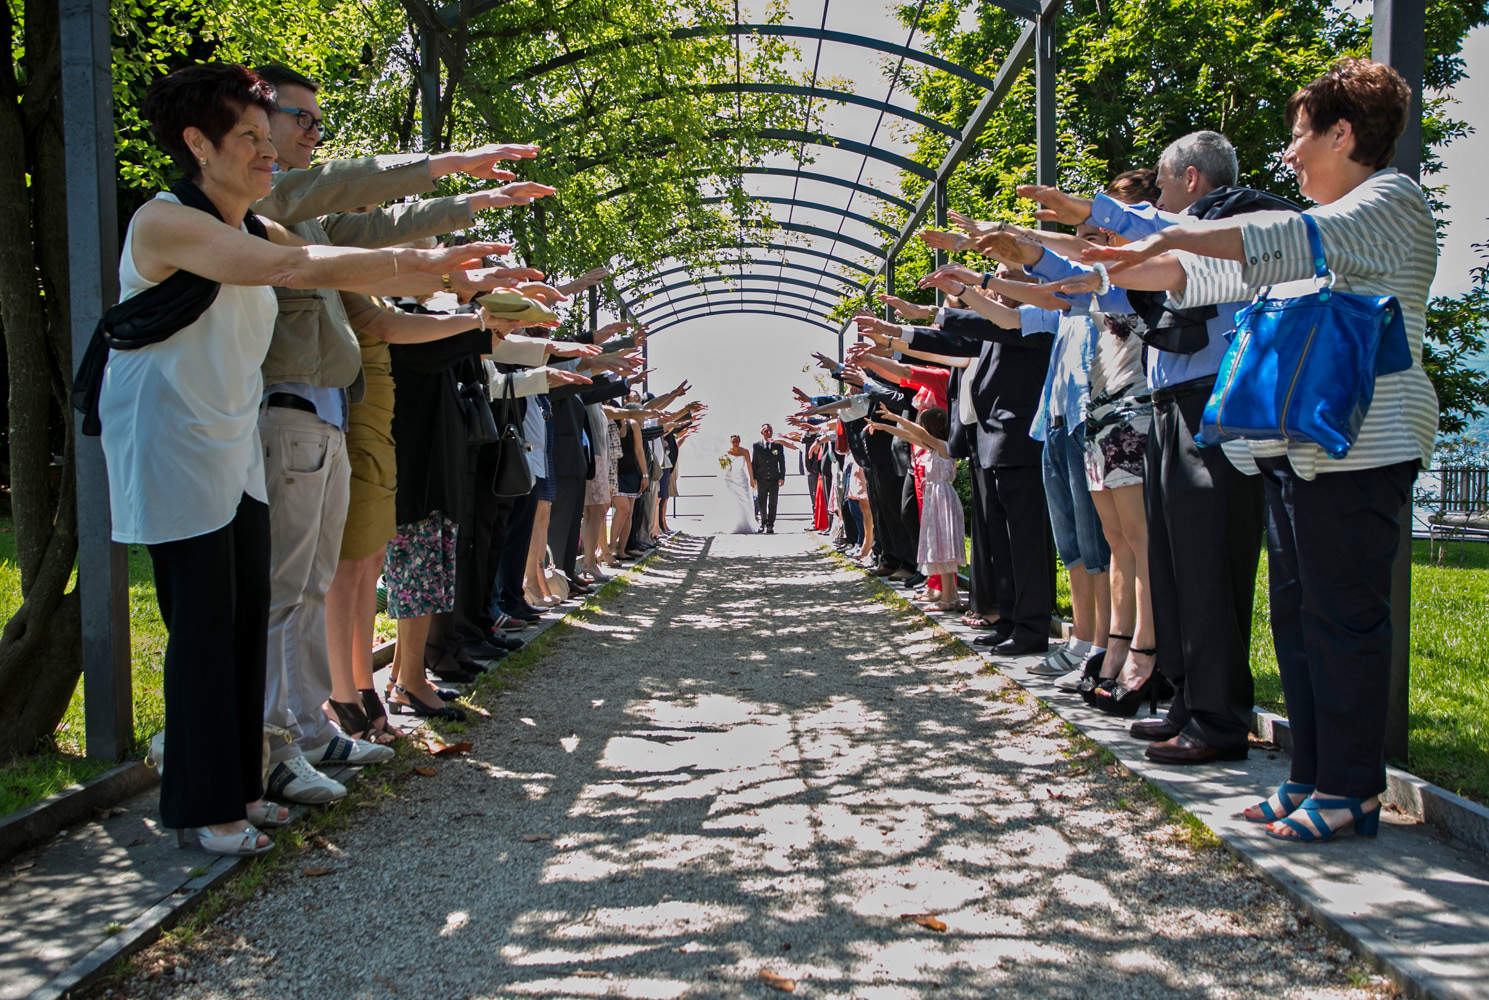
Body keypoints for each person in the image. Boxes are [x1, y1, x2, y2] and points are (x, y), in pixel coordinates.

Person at [99, 62, 504, 856]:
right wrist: (417, 266)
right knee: (205, 625)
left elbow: (336, 255)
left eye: (264, 134)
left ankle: (240, 784)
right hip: (172, 442)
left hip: (231, 442)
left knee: (248, 613)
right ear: (197, 143)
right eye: (249, 135)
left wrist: (431, 265)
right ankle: (199, 803)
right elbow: (294, 267)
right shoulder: (165, 221)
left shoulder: (251, 222)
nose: (266, 150)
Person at [1086, 58, 1437, 841]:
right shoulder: (1315, 230)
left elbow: (1279, 238)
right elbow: (1201, 273)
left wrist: (1165, 227)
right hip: (1296, 455)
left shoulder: (1387, 203)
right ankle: (1312, 776)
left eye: (1298, 136)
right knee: (1300, 618)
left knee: (1343, 618)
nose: (1287, 156)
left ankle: (1351, 790)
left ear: (1342, 133)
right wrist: (1098, 262)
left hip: (1360, 451)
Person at [869, 406, 965, 611]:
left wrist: (895, 416)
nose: (920, 428)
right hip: (935, 499)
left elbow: (918, 434)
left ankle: (947, 599)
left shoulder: (943, 445)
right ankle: (952, 596)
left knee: (944, 549)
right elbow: (908, 435)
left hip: (942, 498)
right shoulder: (932, 447)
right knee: (940, 548)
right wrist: (884, 426)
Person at [717, 435, 760, 534]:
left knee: (744, 500)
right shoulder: (727, 452)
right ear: (730, 442)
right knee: (733, 501)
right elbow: (723, 466)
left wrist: (751, 479)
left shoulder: (745, 451)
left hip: (741, 478)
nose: (735, 443)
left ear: (740, 441)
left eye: (737, 441)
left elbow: (749, 465)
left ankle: (745, 524)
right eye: (733, 441)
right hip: (730, 478)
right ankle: (733, 523)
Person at [751, 424, 788, 533]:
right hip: (761, 479)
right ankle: (763, 523)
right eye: (766, 431)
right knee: (761, 502)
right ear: (762, 432)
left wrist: (782, 477)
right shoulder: (756, 446)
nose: (768, 433)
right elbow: (754, 463)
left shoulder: (778, 446)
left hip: (774, 478)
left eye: (770, 431)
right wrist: (754, 479)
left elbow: (782, 462)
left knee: (773, 502)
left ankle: (771, 524)